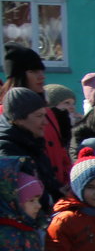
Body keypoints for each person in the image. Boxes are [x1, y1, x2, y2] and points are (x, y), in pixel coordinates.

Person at [2, 44, 71, 187]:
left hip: (59, 192)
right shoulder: (3, 114)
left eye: (42, 70)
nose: (42, 76)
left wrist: (68, 181)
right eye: (34, 71)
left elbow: (61, 153)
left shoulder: (49, 112)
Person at [0, 87, 61, 208]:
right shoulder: (7, 150)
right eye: (39, 116)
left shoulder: (32, 142)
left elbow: (46, 180)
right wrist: (52, 197)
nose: (45, 122)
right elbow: (24, 193)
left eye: (45, 115)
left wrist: (59, 189)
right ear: (18, 119)